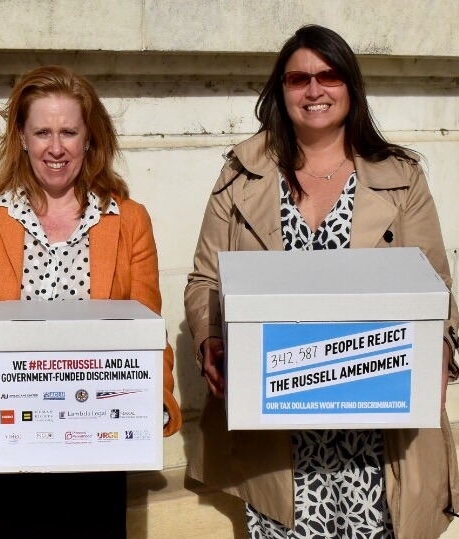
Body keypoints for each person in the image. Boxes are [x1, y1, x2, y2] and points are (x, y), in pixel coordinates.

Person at [184, 24, 459, 539]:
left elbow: (435, 284)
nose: (314, 90)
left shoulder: (401, 176)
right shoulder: (240, 174)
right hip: (279, 428)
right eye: (298, 79)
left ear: (350, 86)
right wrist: (208, 336)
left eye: (328, 75)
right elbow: (204, 278)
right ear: (280, 91)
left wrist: (440, 346)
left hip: (376, 424)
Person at [0, 65, 182, 539]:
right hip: (2, 441)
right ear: (22, 138)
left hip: (94, 446)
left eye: (68, 132)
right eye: (42, 132)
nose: (56, 147)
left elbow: (148, 326)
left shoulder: (128, 219)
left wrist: (159, 396)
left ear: (89, 138)